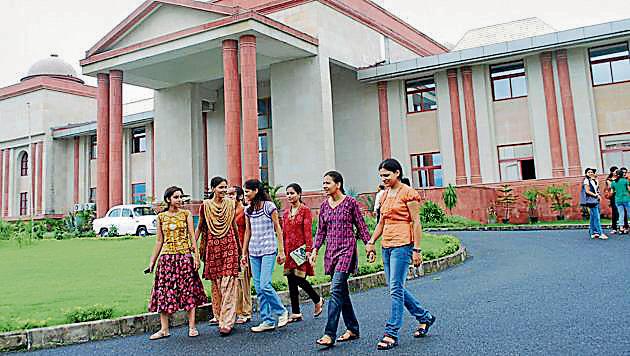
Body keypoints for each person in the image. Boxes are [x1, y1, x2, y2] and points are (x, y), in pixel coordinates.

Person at [366, 159, 435, 350]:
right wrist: (371, 242)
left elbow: (416, 222)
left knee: (395, 288)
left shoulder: (408, 193)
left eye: (386, 175)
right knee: (395, 287)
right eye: (381, 176)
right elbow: (381, 222)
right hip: (386, 246)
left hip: (403, 245)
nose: (383, 179)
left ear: (397, 173)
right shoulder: (386, 194)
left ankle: (391, 333)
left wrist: (417, 249)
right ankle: (425, 317)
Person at [311, 171, 371, 347]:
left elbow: (361, 225)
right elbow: (321, 230)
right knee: (342, 292)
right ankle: (352, 328)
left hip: (347, 250)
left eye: (327, 183)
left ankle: (329, 333)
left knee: (335, 289)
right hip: (331, 252)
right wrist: (315, 249)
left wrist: (369, 244)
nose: (324, 186)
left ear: (338, 184)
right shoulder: (324, 206)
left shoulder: (350, 203)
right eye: (323, 183)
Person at [147, 186, 207, 340]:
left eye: (181, 197)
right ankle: (164, 329)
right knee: (164, 292)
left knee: (189, 290)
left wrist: (196, 255)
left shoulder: (186, 214)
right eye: (176, 197)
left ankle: (192, 327)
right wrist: (152, 262)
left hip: (184, 256)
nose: (179, 200)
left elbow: (192, 236)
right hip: (167, 259)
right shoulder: (161, 217)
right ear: (168, 199)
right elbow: (159, 240)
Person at [241, 179, 289, 332]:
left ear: (256, 190)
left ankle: (281, 312)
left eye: (247, 191)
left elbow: (278, 228)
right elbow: (248, 232)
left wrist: (281, 251)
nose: (245, 194)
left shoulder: (269, 207)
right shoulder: (248, 210)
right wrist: (244, 253)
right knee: (259, 288)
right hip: (254, 251)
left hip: (269, 249)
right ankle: (267, 320)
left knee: (265, 285)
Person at [195, 177, 241, 336]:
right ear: (213, 188)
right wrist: (193, 247)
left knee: (228, 282)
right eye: (221, 187)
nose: (224, 190)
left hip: (229, 244)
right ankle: (220, 315)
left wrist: (240, 247)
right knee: (217, 284)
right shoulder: (205, 206)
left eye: (226, 187)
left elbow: (234, 225)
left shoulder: (230, 204)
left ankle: (227, 322)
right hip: (213, 248)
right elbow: (200, 226)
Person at [282, 183, 323, 323]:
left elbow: (308, 232)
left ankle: (317, 299)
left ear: (299, 194)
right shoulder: (286, 213)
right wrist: (281, 251)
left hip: (300, 250)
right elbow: (284, 233)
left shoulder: (305, 210)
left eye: (292, 193)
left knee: (299, 278)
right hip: (289, 250)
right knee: (290, 280)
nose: (289, 196)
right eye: (287, 193)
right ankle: (295, 312)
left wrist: (308, 250)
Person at [227, 186, 253, 324]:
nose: (229, 196)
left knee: (244, 282)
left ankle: (246, 312)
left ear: (240, 196)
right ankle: (237, 311)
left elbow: (249, 231)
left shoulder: (245, 211)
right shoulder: (228, 211)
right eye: (228, 194)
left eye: (232, 194)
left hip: (244, 250)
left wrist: (245, 252)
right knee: (235, 282)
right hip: (232, 250)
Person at [580, 168, 608, 240]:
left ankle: (592, 232)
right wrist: (596, 195)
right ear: (586, 174)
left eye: (591, 172)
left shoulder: (594, 180)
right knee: (597, 217)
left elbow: (596, 189)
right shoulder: (586, 180)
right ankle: (600, 233)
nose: (590, 173)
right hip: (591, 200)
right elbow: (587, 191)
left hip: (595, 199)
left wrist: (595, 180)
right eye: (588, 172)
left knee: (593, 217)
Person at [610, 167, 630, 235]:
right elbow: (629, 189)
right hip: (626, 199)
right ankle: (625, 227)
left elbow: (612, 192)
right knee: (629, 212)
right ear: (622, 174)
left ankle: (621, 228)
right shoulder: (625, 181)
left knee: (621, 214)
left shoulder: (613, 182)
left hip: (618, 200)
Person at [606, 166, 620, 234]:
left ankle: (621, 226)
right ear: (612, 172)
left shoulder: (619, 178)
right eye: (615, 171)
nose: (616, 172)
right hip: (613, 196)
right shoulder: (609, 179)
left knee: (622, 211)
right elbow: (611, 187)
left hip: (620, 196)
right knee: (615, 211)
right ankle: (614, 228)